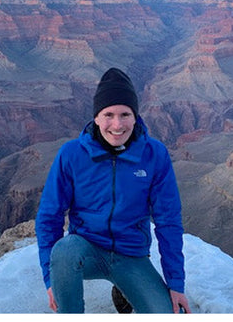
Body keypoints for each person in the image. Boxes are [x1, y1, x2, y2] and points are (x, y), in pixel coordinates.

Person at [35, 67, 190, 313]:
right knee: (64, 251)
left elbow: (168, 220)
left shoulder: (154, 155)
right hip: (86, 251)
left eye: (125, 114)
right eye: (108, 114)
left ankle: (125, 286)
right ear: (96, 117)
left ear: (135, 117)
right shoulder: (71, 154)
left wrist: (176, 284)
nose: (117, 125)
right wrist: (51, 279)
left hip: (131, 256)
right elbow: (48, 216)